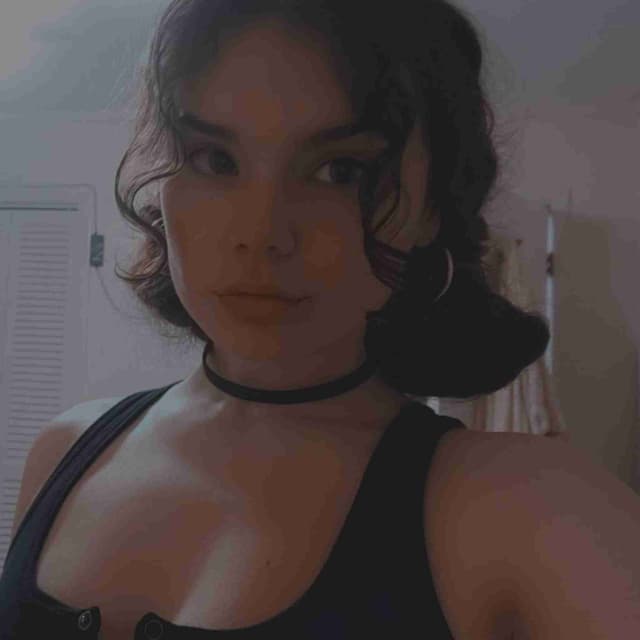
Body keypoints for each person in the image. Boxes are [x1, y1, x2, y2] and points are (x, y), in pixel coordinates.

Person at [7, 2, 639, 639]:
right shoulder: (62, 451)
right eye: (214, 159)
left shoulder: (525, 512)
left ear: (431, 210)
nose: (262, 233)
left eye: (342, 171)